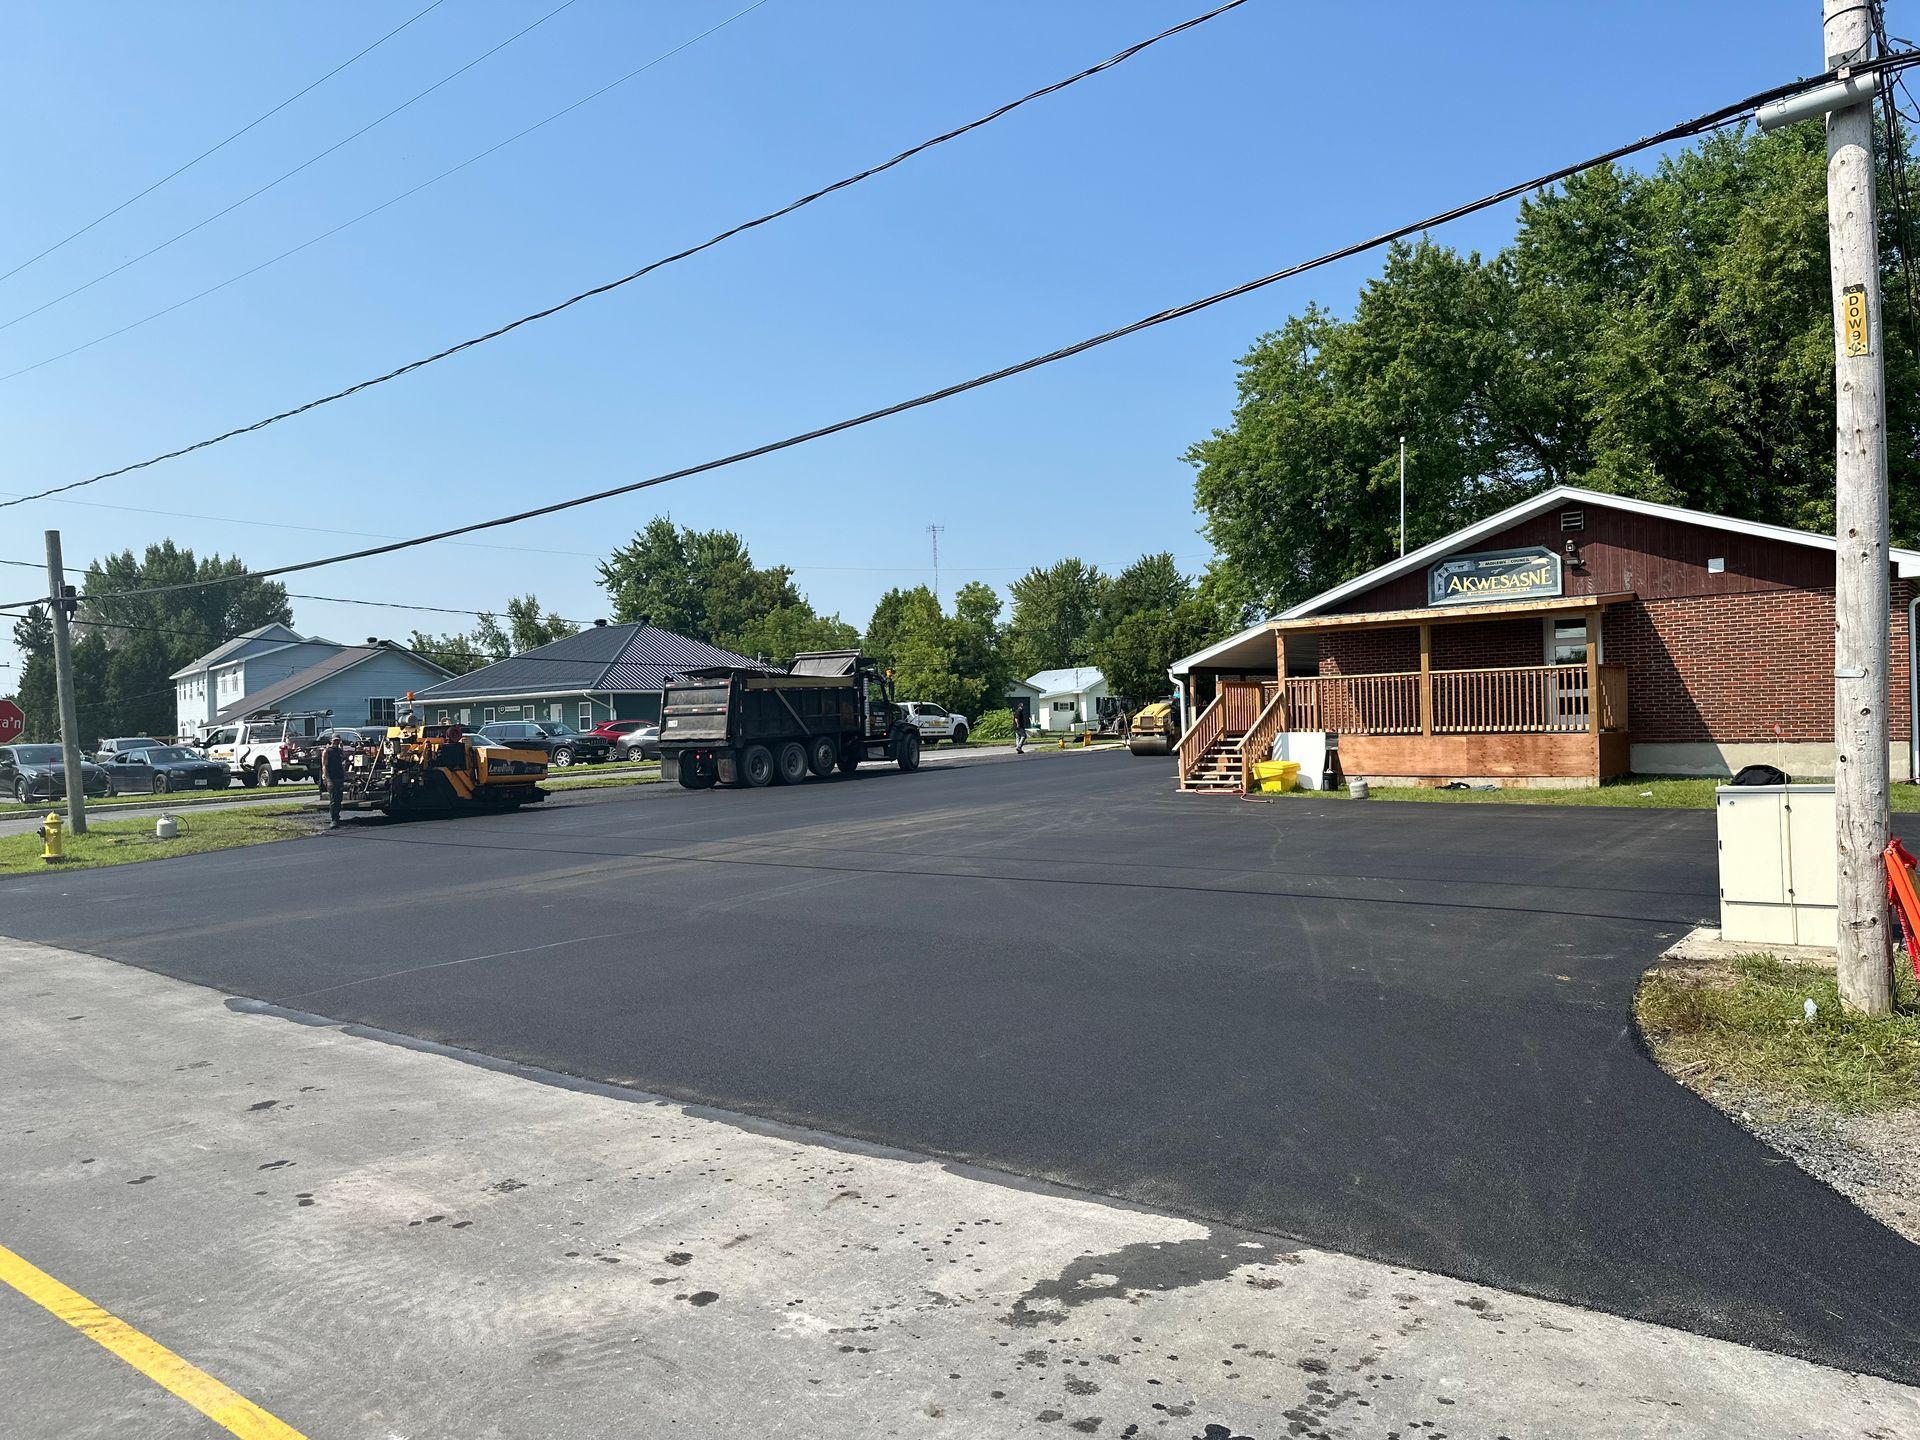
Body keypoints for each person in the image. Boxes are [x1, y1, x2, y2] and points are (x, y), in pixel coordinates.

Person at [322, 733, 349, 828]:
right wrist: (328, 780)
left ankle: (337, 817)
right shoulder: (327, 751)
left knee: (339, 799)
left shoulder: (339, 751)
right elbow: (324, 766)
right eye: (334, 741)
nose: (336, 742)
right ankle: (333, 820)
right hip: (331, 778)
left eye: (337, 741)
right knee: (333, 799)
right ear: (331, 741)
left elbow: (344, 761)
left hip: (339, 777)